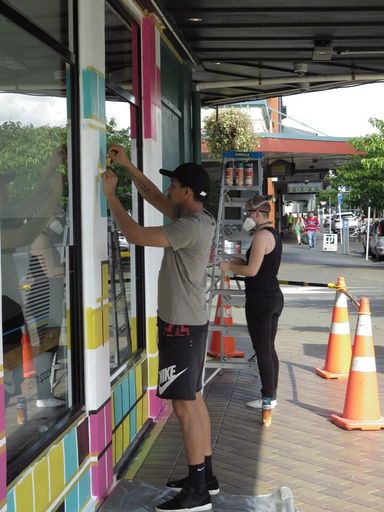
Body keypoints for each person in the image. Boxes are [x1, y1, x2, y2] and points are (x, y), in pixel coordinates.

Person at [103, 145, 217, 512]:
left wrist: (110, 196)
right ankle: (206, 479)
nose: (168, 191)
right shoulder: (197, 217)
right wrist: (128, 167)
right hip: (188, 324)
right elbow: (153, 196)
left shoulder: (187, 228)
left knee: (183, 408)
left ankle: (197, 493)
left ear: (185, 192)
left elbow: (134, 235)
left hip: (180, 328)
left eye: (174, 186)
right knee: (194, 401)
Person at [220, 195, 283, 427]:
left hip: (260, 300)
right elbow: (259, 264)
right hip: (274, 297)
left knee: (262, 350)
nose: (246, 217)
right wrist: (235, 259)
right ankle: (271, 396)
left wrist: (228, 266)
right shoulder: (273, 234)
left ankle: (267, 400)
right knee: (269, 348)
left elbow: (252, 271)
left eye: (248, 213)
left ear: (257, 214)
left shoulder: (259, 237)